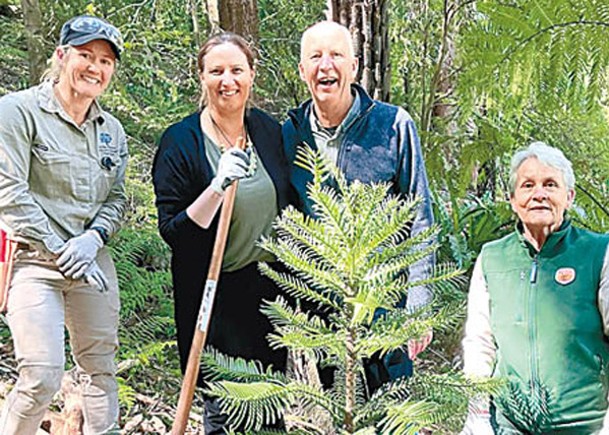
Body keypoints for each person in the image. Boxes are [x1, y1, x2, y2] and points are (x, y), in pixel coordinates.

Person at [282, 20, 435, 392]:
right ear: (302, 70)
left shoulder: (393, 125)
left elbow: (420, 218)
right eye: (315, 57)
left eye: (336, 55)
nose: (326, 65)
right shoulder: (288, 133)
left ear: (353, 66)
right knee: (346, 413)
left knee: (395, 415)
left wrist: (418, 303)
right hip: (325, 312)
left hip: (387, 306)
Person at [151, 32, 291, 433]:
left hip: (268, 289)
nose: (227, 80)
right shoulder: (180, 142)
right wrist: (215, 188)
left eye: (236, 70)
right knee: (226, 407)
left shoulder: (267, 130)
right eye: (216, 71)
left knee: (269, 403)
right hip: (213, 293)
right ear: (202, 78)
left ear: (251, 76)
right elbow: (173, 231)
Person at [0, 15, 127, 434]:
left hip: (92, 263)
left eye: (105, 61)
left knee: (100, 372)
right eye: (85, 55)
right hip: (33, 262)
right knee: (41, 373)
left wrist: (93, 239)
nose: (95, 67)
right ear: (61, 56)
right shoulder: (17, 112)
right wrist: (60, 248)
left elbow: (116, 198)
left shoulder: (112, 131)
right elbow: (9, 194)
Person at [460, 142, 609, 434]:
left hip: (583, 425)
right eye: (528, 185)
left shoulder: (599, 253)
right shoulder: (492, 258)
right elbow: (480, 342)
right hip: (508, 424)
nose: (539, 194)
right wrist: (477, 415)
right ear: (514, 200)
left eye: (550, 184)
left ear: (569, 197)